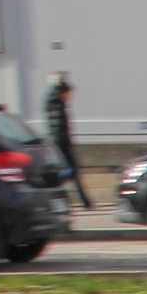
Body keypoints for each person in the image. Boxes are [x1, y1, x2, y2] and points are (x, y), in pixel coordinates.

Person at [42, 71, 90, 208]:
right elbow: (58, 127)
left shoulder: (54, 102)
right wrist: (65, 143)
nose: (70, 98)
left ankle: (82, 202)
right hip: (61, 143)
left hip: (58, 142)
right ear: (63, 92)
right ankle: (82, 202)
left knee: (67, 173)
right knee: (70, 171)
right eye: (69, 95)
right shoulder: (57, 105)